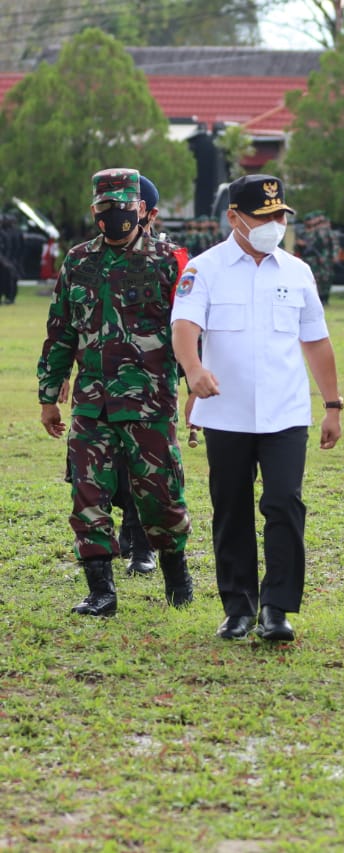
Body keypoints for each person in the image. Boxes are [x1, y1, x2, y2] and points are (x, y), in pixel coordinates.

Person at [171, 174, 343, 642]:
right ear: (234, 217)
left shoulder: (297, 272)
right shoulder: (204, 269)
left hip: (285, 413)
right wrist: (193, 369)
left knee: (285, 504)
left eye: (279, 216)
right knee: (231, 508)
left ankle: (277, 609)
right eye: (263, 216)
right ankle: (238, 607)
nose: (274, 224)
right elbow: (184, 324)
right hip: (225, 412)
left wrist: (333, 404)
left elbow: (317, 341)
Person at [37, 167, 194, 616]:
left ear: (141, 209)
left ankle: (176, 575)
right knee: (88, 495)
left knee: (160, 495)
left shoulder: (168, 261)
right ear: (94, 211)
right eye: (105, 208)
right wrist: (49, 393)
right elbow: (61, 329)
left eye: (123, 207)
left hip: (149, 404)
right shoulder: (79, 260)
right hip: (91, 402)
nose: (114, 216)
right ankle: (100, 591)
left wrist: (193, 389)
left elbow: (189, 332)